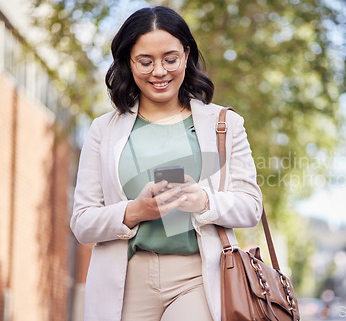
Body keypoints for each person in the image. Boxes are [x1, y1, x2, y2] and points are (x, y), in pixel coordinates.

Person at [70, 6, 262, 321]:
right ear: (128, 63)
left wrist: (203, 200)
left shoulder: (224, 124)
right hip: (126, 278)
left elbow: (251, 206)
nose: (159, 71)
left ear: (186, 55)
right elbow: (82, 222)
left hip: (198, 276)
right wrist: (136, 212)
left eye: (170, 59)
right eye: (145, 62)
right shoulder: (103, 130)